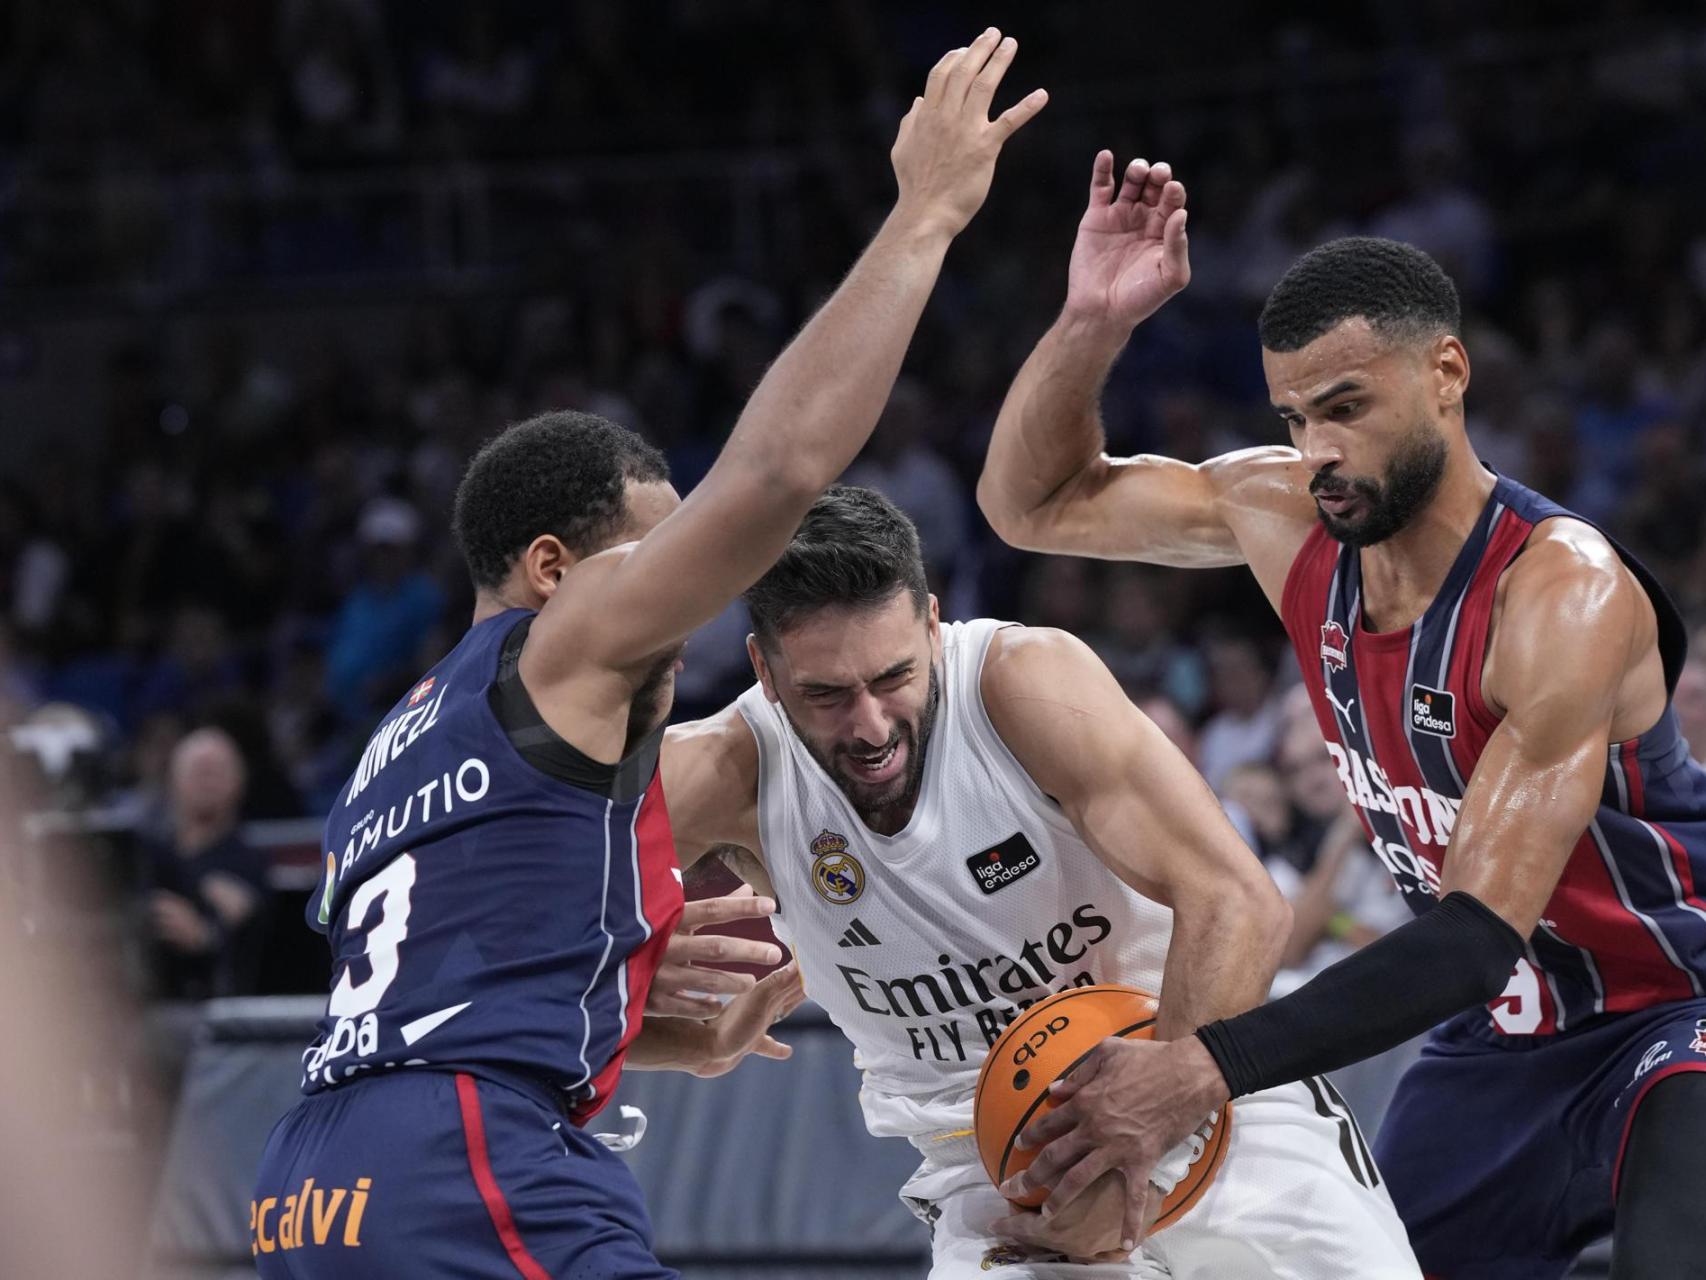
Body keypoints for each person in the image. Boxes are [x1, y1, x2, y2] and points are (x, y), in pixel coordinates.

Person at [251, 31, 1049, 1279]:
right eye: (654, 550)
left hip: (308, 1180)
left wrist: (647, 1016)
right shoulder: (559, 644)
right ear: (556, 568)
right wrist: (925, 214)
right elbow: (780, 472)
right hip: (466, 1148)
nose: (689, 579)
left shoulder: (398, 739)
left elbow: (453, 988)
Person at [976, 153, 1706, 1277]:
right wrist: (1090, 321)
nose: (1317, 448)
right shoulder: (1283, 518)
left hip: (1670, 1012)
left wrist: (1201, 1064)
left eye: (1346, 407)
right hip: (1498, 1040)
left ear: (1447, 373)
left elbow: (1468, 938)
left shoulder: (1562, 593)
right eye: (1295, 414)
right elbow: (1029, 504)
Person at [663, 486, 1419, 1278]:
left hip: (1208, 1090)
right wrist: (686, 1044)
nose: (871, 726)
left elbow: (1239, 903)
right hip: (996, 1169)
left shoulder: (1025, 687)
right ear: (764, 671)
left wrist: (1141, 1137)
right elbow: (526, 959)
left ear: (931, 622)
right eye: (826, 695)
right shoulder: (721, 772)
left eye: (893, 678)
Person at [139, 726, 270, 998]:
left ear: (240, 781)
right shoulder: (146, 856)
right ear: (172, 779)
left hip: (217, 1008)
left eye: (216, 771)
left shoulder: (249, 864)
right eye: (198, 770)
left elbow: (245, 931)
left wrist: (205, 937)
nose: (206, 780)